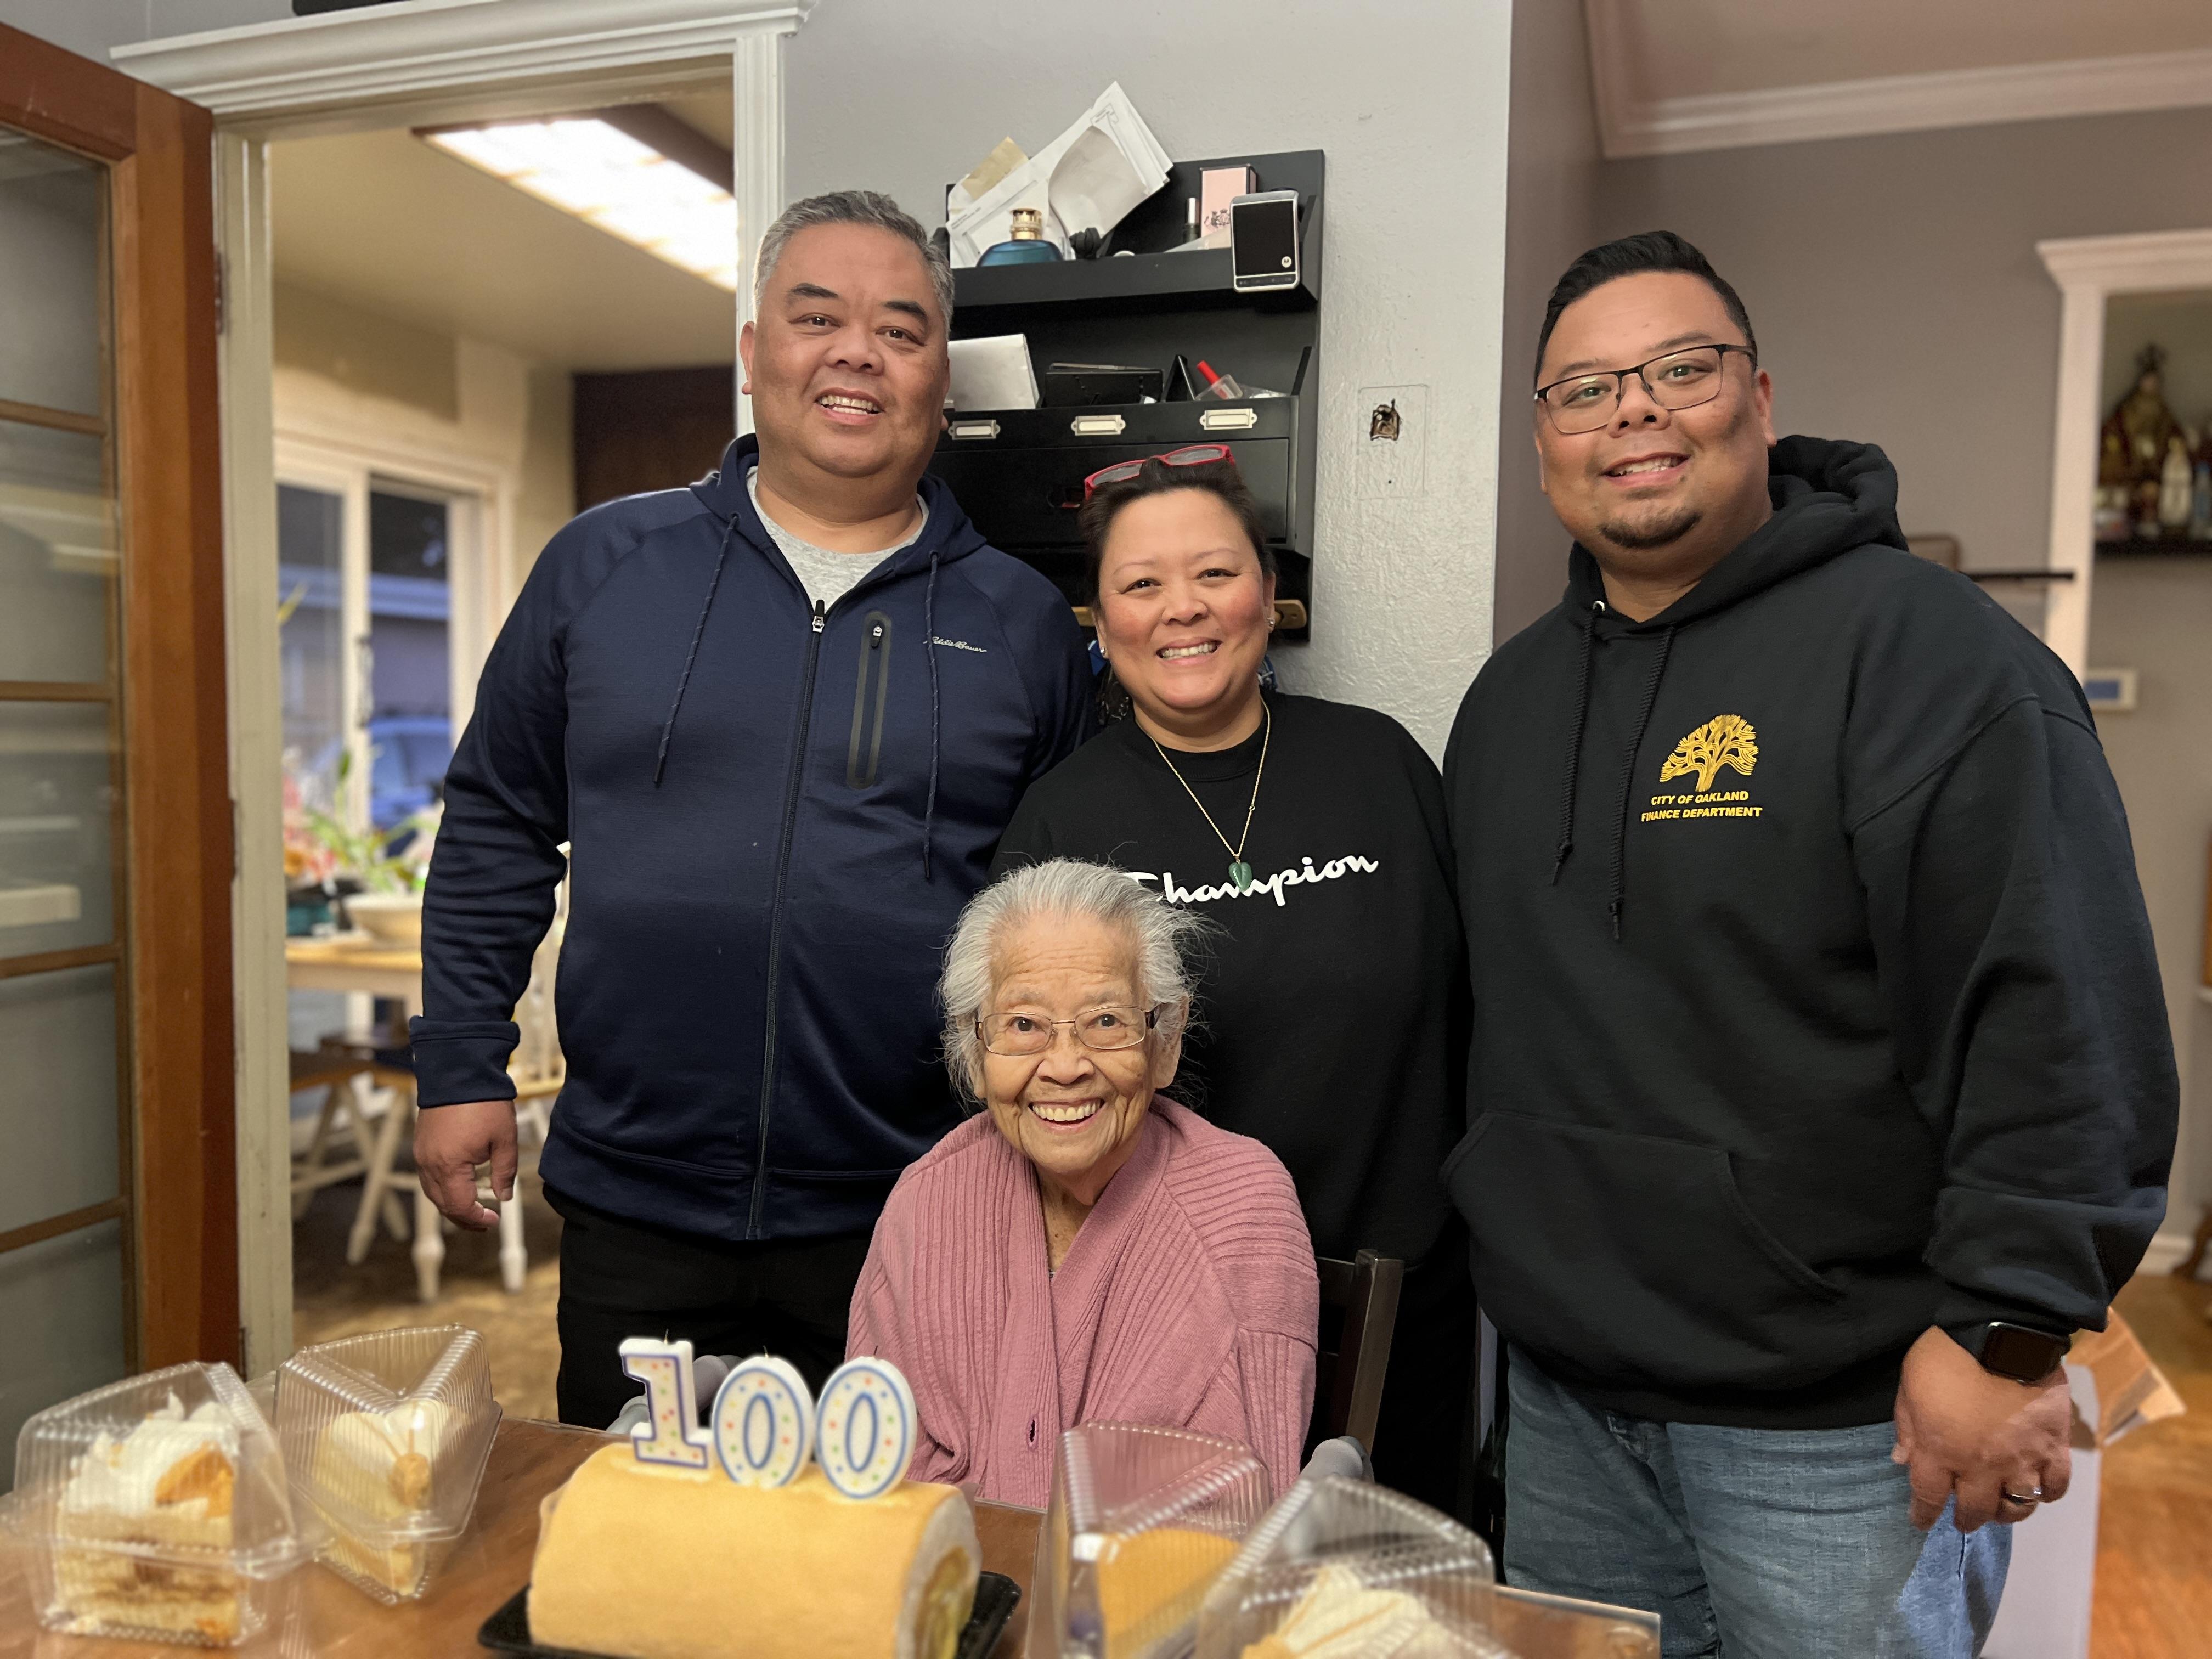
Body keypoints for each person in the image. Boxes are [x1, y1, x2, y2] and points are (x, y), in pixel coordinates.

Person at [1444, 230, 2176, 1655]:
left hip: (1844, 1430)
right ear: (1544, 441)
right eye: (1587, 389)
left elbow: (2062, 1030)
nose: (1636, 411)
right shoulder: (1506, 709)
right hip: (1566, 1412)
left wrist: (2009, 1338)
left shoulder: (1936, 663)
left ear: (1763, 399)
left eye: (1681, 370)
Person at [410, 191, 1091, 1425]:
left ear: (942, 374)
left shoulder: (1025, 626)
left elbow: (1073, 910)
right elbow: (499, 818)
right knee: (634, 1571)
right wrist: (462, 1066)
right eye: (816, 316)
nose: (855, 354)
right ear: (754, 353)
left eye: (900, 329)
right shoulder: (604, 567)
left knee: (884, 1581)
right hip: (638, 1208)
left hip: (919, 1208)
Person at [989, 450, 1473, 1514]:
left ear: (1269, 588)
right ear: (1098, 616)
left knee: (1390, 1618)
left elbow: (1481, 1020)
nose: (1182, 610)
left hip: (1408, 1320)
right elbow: (1027, 1100)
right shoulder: (1058, 824)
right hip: (1174, 1331)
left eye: (1214, 572)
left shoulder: (1382, 766)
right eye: (1141, 584)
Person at [848, 859, 1318, 1505]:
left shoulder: (1241, 1208)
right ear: (974, 1052)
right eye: (1023, 1026)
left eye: (1105, 1023)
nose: (1065, 1067)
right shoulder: (927, 1199)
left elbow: (1239, 1523)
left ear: (1166, 1042)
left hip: (1142, 1598)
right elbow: (867, 1474)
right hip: (941, 1589)